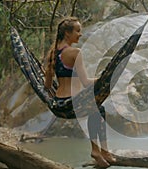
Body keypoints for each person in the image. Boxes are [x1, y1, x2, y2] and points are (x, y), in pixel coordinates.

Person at [44, 16, 116, 167]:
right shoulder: (75, 53)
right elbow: (86, 82)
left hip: (59, 104)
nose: (80, 34)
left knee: (96, 109)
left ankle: (101, 151)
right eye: (78, 31)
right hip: (71, 104)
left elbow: (47, 85)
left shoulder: (53, 55)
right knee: (98, 109)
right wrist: (103, 78)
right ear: (67, 34)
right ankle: (100, 150)